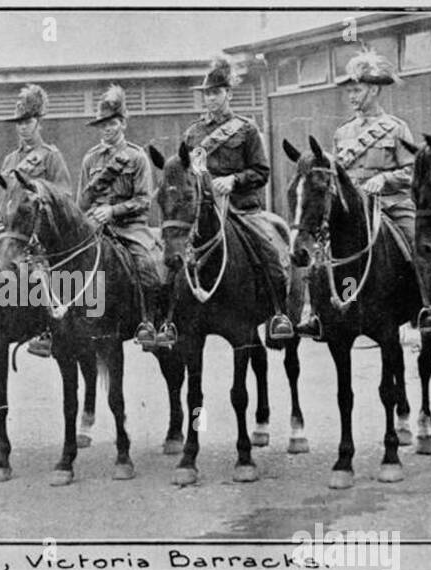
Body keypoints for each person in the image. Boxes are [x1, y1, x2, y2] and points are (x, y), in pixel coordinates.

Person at [330, 47, 431, 335]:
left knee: (417, 246)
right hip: (354, 210)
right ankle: (324, 313)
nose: (352, 96)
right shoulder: (343, 133)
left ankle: (426, 308)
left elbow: (411, 172)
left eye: (357, 90)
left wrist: (384, 180)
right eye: (350, 92)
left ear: (372, 90)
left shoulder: (396, 128)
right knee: (321, 247)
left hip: (391, 204)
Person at [183, 54, 295, 341]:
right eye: (206, 94)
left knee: (271, 254)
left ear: (228, 94)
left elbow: (261, 171)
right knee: (173, 259)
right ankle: (169, 320)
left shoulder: (246, 129)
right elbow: (183, 173)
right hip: (203, 212)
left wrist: (233, 180)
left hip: (241, 209)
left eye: (215, 93)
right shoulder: (193, 133)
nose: (210, 98)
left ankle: (278, 314)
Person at [78, 85, 168, 350]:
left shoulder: (137, 157)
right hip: (96, 228)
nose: (107, 128)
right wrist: (91, 215)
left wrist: (112, 211)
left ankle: (148, 322)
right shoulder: (90, 159)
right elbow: (81, 201)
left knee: (147, 267)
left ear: (123, 123)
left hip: (130, 227)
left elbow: (143, 200)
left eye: (113, 123)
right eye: (103, 123)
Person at [0, 84, 72, 357]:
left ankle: (48, 330)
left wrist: (40, 194)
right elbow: (3, 197)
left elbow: (64, 195)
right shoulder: (9, 160)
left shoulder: (52, 157)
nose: (22, 127)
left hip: (42, 233)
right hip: (14, 230)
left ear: (38, 121)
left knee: (41, 272)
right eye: (19, 122)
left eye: (27, 121)